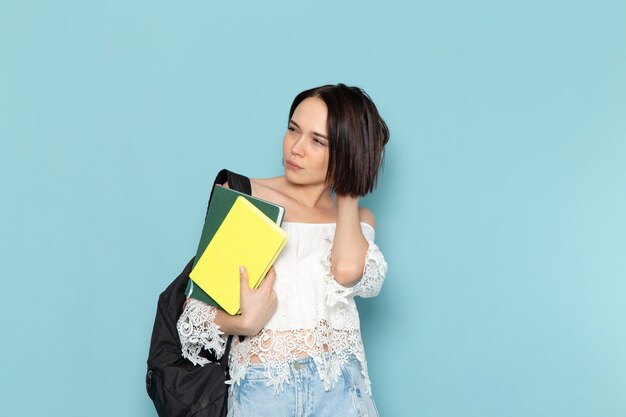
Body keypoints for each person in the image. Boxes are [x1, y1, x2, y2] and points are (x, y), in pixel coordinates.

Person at [176, 83, 389, 417]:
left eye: (318, 141)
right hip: (263, 393)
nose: (296, 148)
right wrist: (245, 322)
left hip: (341, 390)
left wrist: (350, 187)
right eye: (293, 130)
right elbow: (194, 318)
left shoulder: (357, 220)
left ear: (347, 152)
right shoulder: (246, 198)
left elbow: (347, 272)